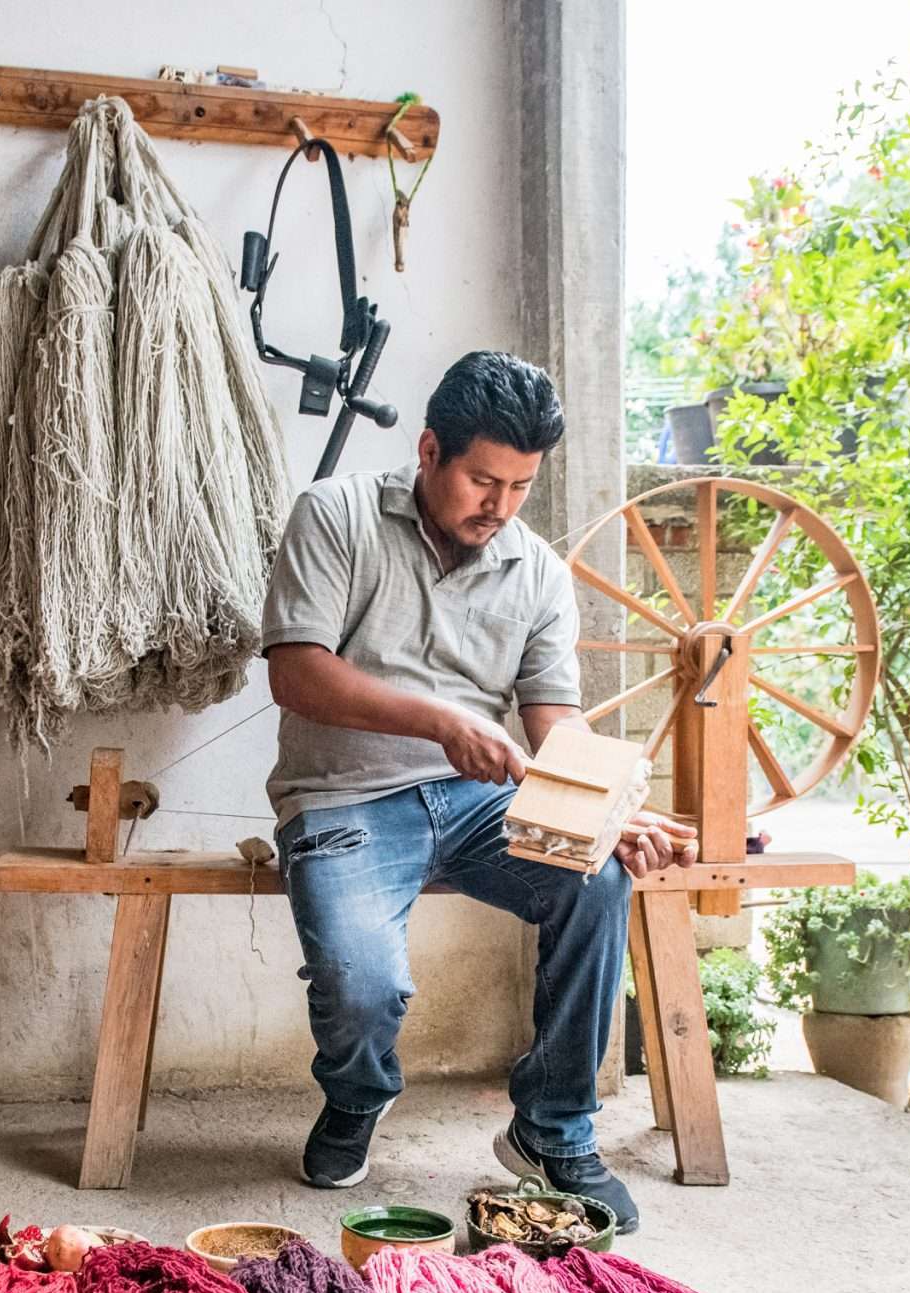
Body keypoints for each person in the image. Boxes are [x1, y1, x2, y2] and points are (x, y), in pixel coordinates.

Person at [262, 351, 695, 1234]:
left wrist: (609, 812)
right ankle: (357, 1093)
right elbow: (297, 675)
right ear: (429, 450)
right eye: (482, 480)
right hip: (342, 798)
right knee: (361, 981)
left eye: (521, 487)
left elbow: (555, 726)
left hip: (475, 803)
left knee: (596, 877)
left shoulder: (536, 571)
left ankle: (552, 1128)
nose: (498, 507)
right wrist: (440, 723)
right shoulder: (336, 515)